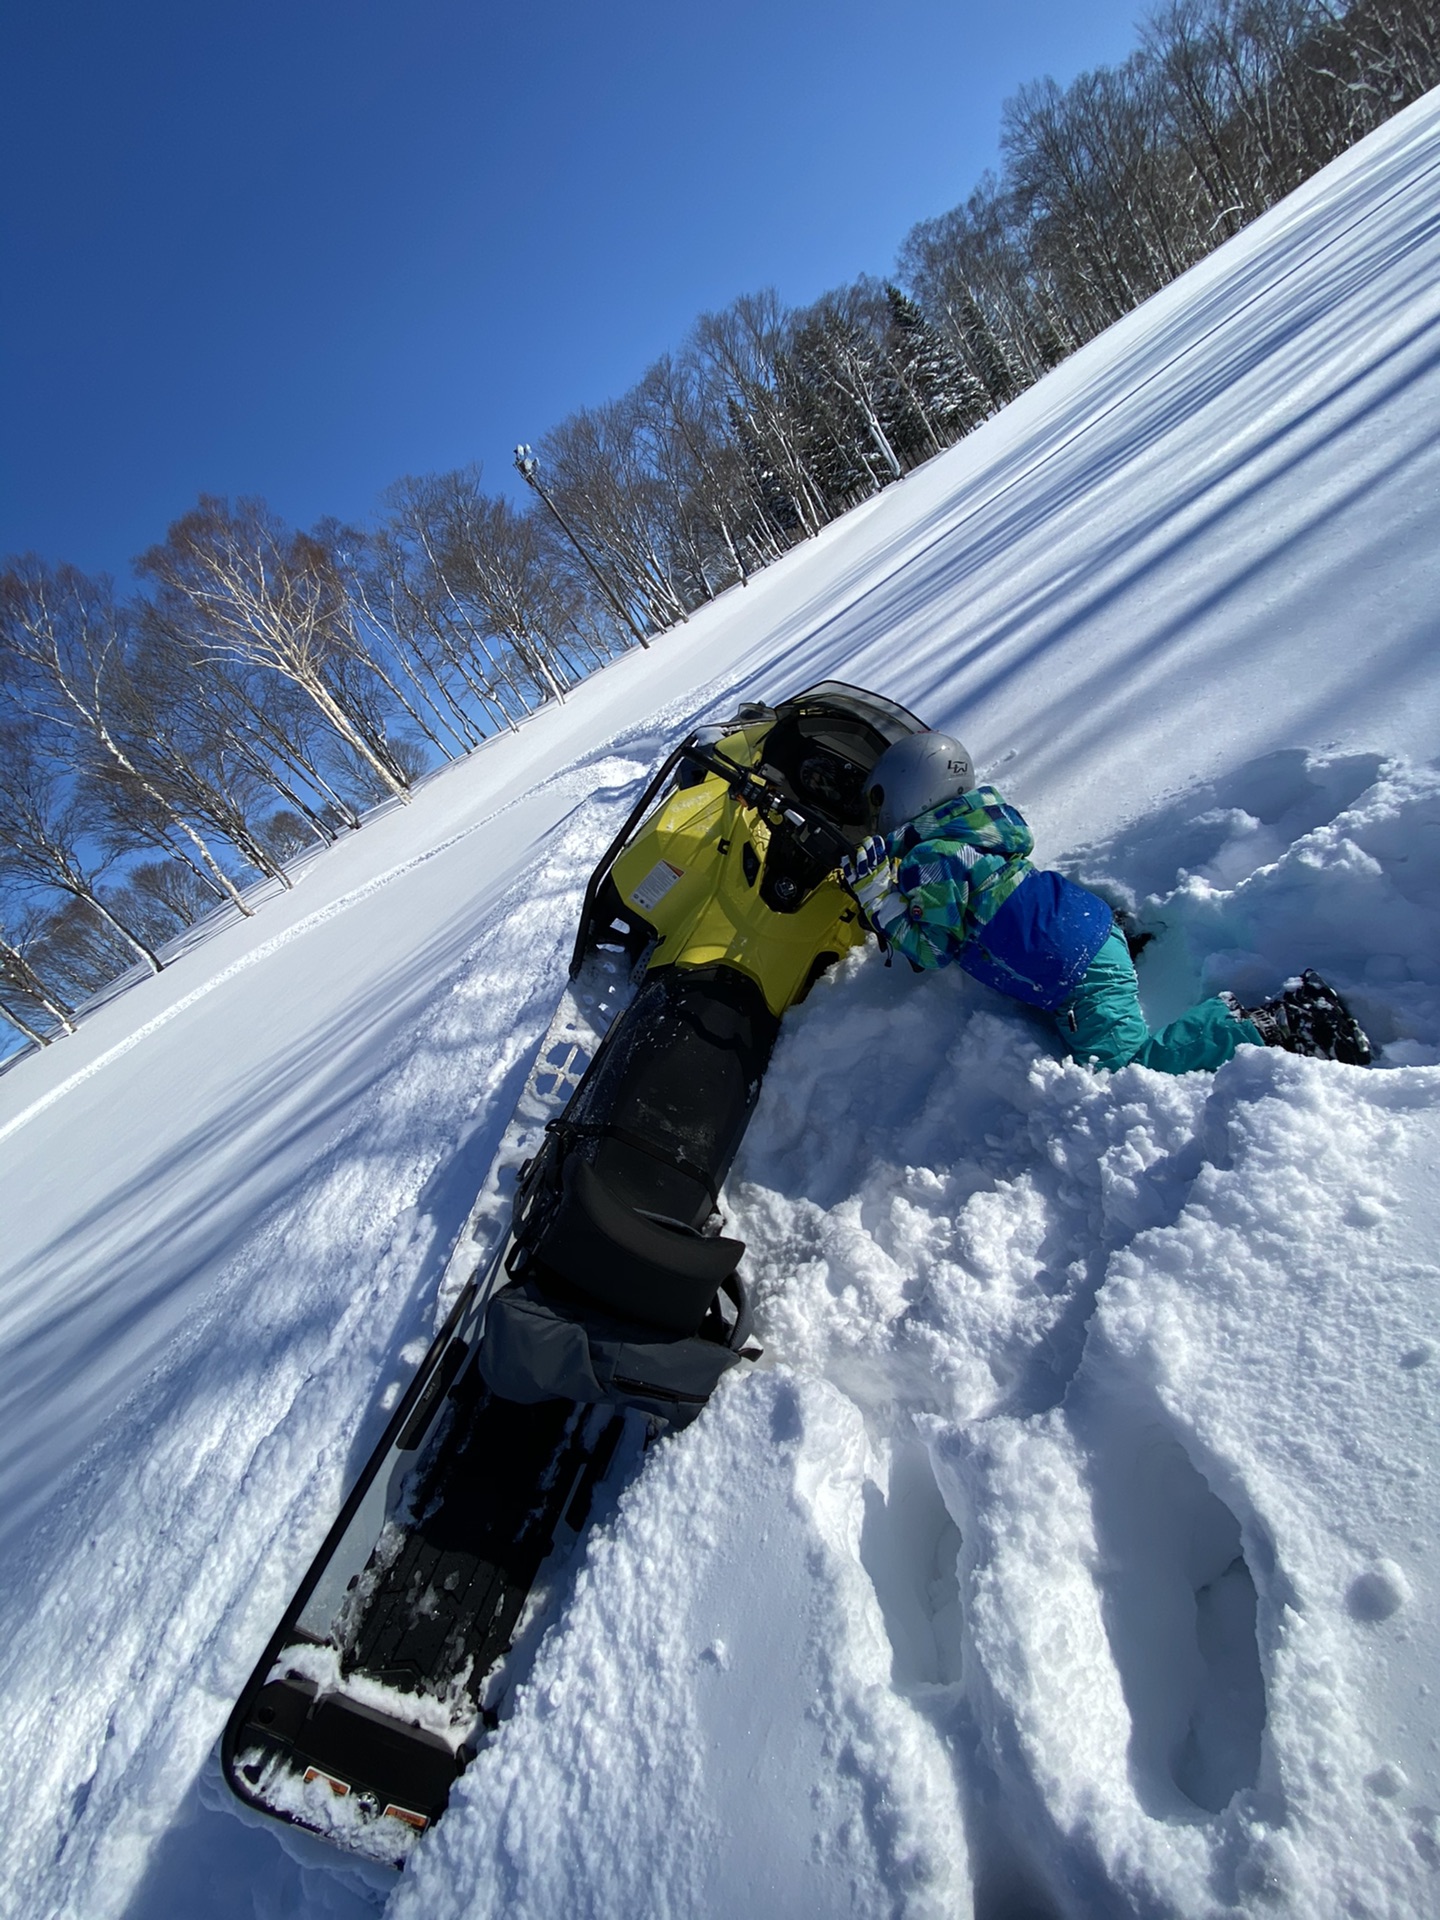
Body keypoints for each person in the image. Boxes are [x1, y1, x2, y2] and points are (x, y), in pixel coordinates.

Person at [838, 731, 1371, 1073]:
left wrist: (880, 899)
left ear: (909, 794)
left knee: (1131, 1065)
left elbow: (932, 950)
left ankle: (1277, 1023)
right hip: (1092, 928)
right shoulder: (975, 830)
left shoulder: (931, 858)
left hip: (1079, 971)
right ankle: (1134, 951)